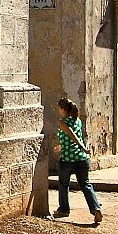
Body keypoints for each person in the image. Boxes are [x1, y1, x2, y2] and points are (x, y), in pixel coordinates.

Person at [51, 96, 103, 225]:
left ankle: (64, 209)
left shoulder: (62, 122)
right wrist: (61, 147)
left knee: (63, 184)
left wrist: (83, 147)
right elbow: (69, 139)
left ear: (63, 110)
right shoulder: (77, 121)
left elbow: (72, 136)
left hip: (68, 159)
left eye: (59, 108)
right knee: (85, 184)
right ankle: (95, 208)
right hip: (81, 159)